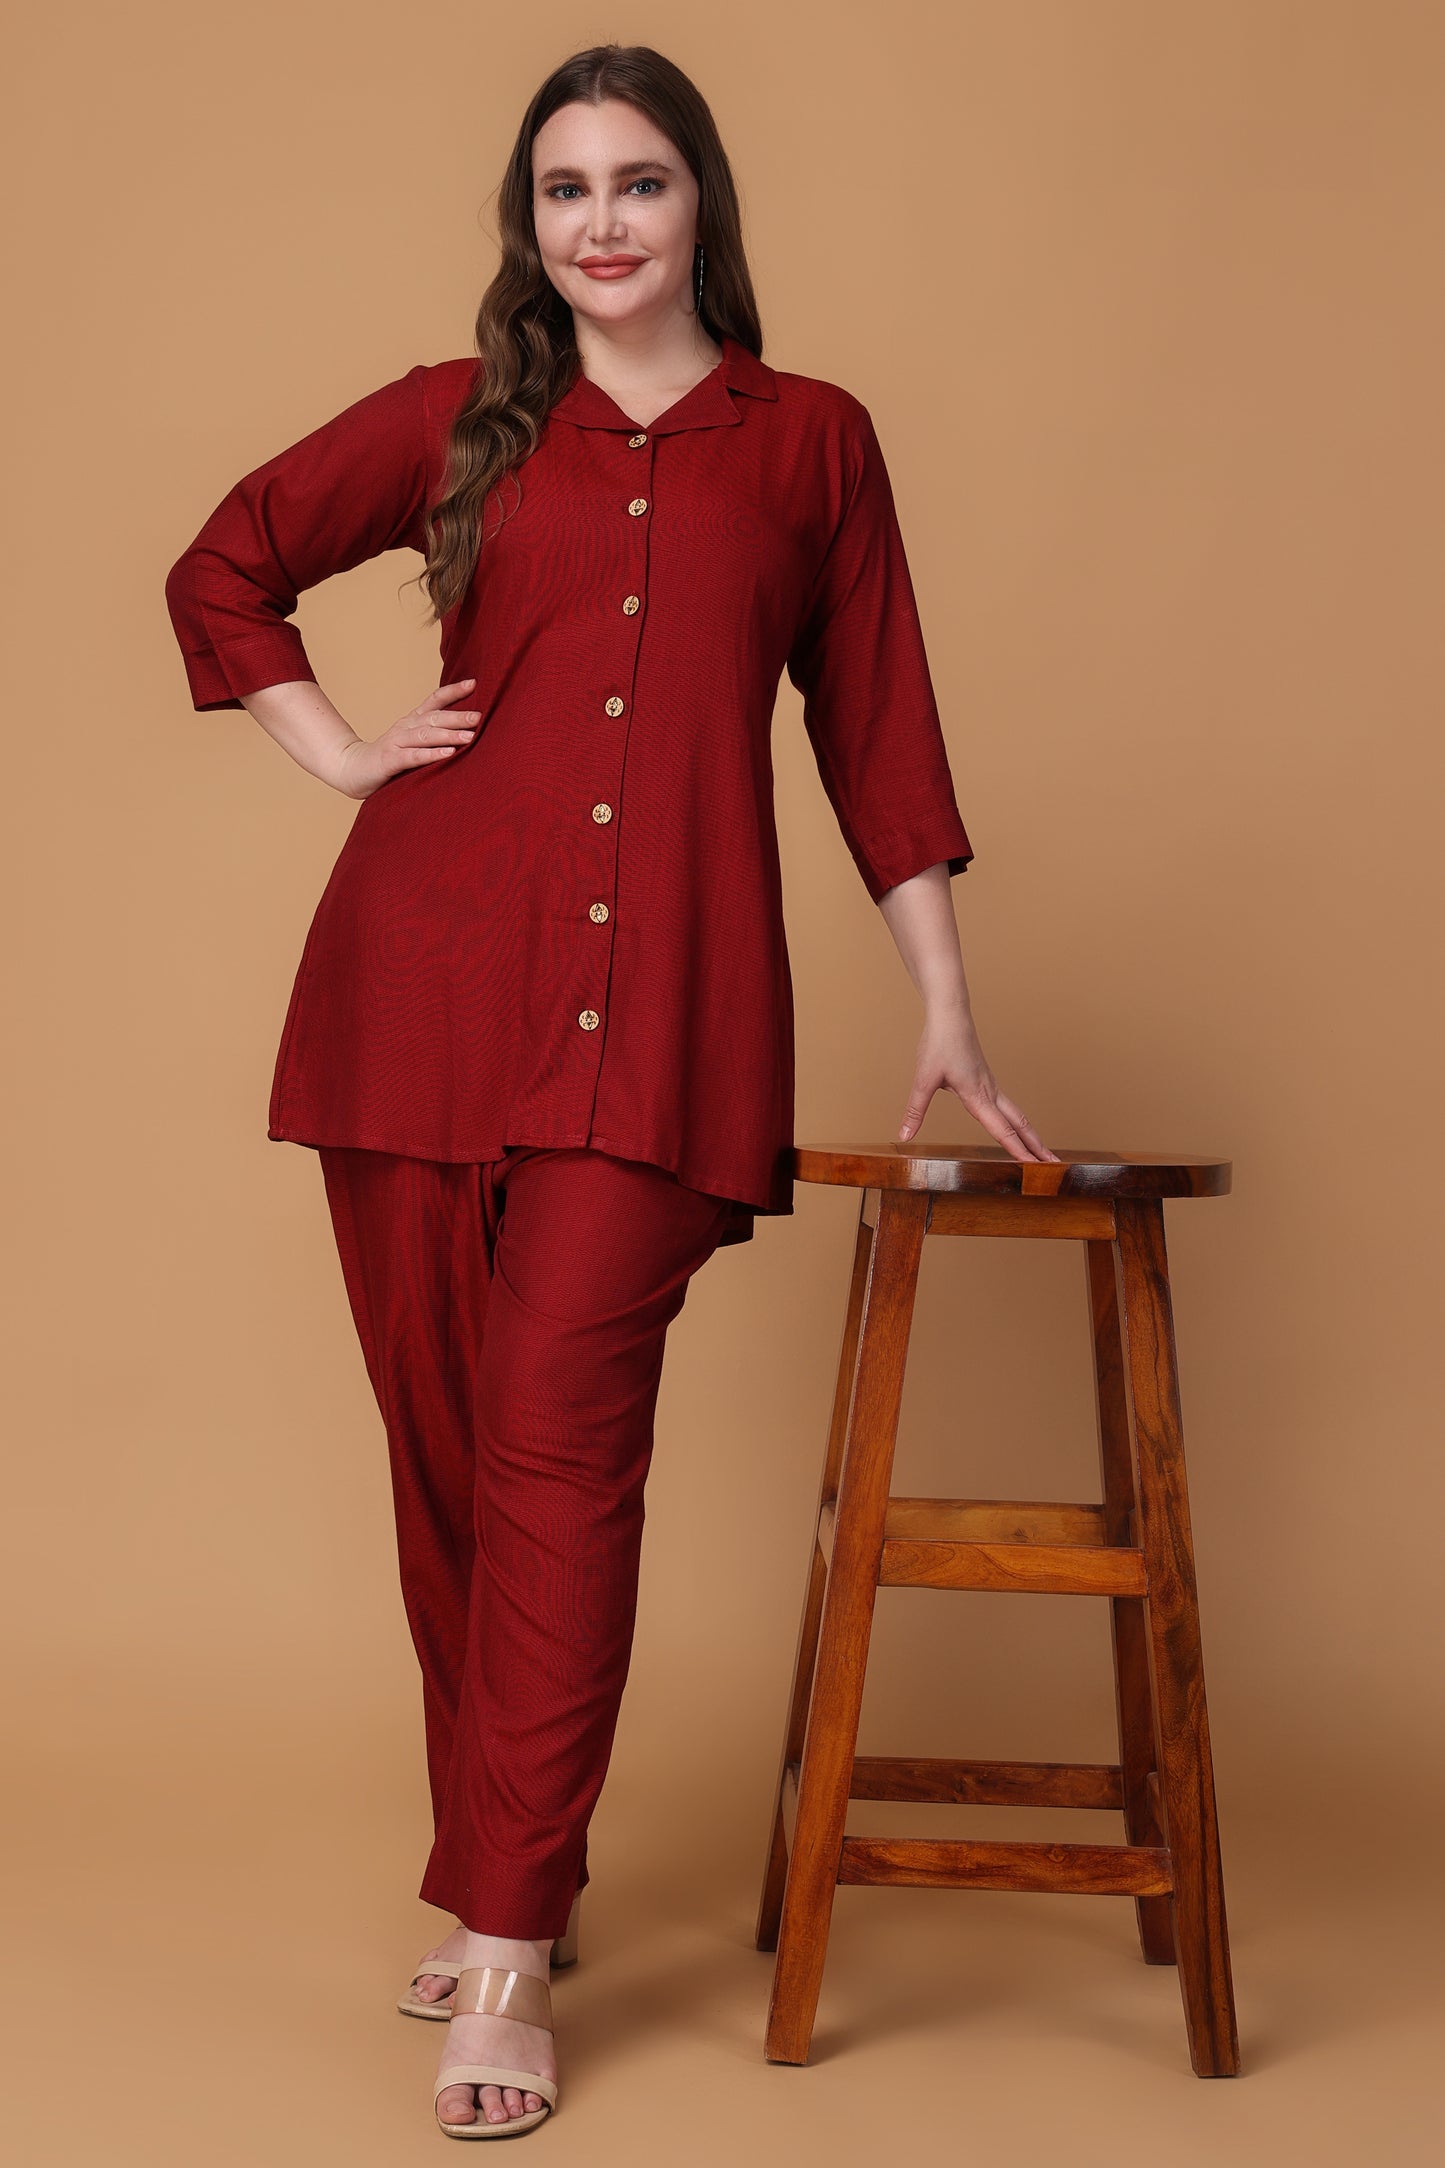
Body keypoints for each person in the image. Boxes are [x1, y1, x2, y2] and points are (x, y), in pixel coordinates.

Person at [164, 39, 1059, 2142]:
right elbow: (224, 565)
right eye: (564, 189)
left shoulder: (809, 443)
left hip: (660, 1028)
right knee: (452, 1463)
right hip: (414, 1002)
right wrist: (341, 751)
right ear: (530, 222)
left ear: (699, 203)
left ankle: (503, 1947)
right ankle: (503, 1866)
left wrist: (945, 1001)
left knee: (561, 1449)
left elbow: (878, 727)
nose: (601, 222)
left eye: (637, 181)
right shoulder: (457, 417)